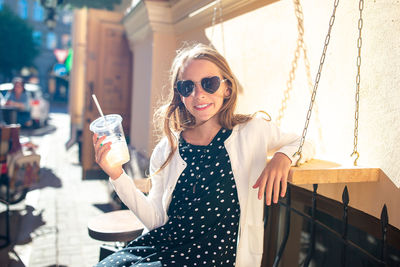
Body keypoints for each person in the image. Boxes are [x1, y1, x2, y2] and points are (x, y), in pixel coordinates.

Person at [92, 43, 314, 267]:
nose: (199, 95)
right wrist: (117, 175)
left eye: (209, 83)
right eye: (188, 87)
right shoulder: (166, 149)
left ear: (227, 88)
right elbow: (156, 220)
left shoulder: (251, 131)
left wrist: (282, 158)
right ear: (180, 95)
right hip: (164, 248)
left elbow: (304, 142)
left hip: (215, 259)